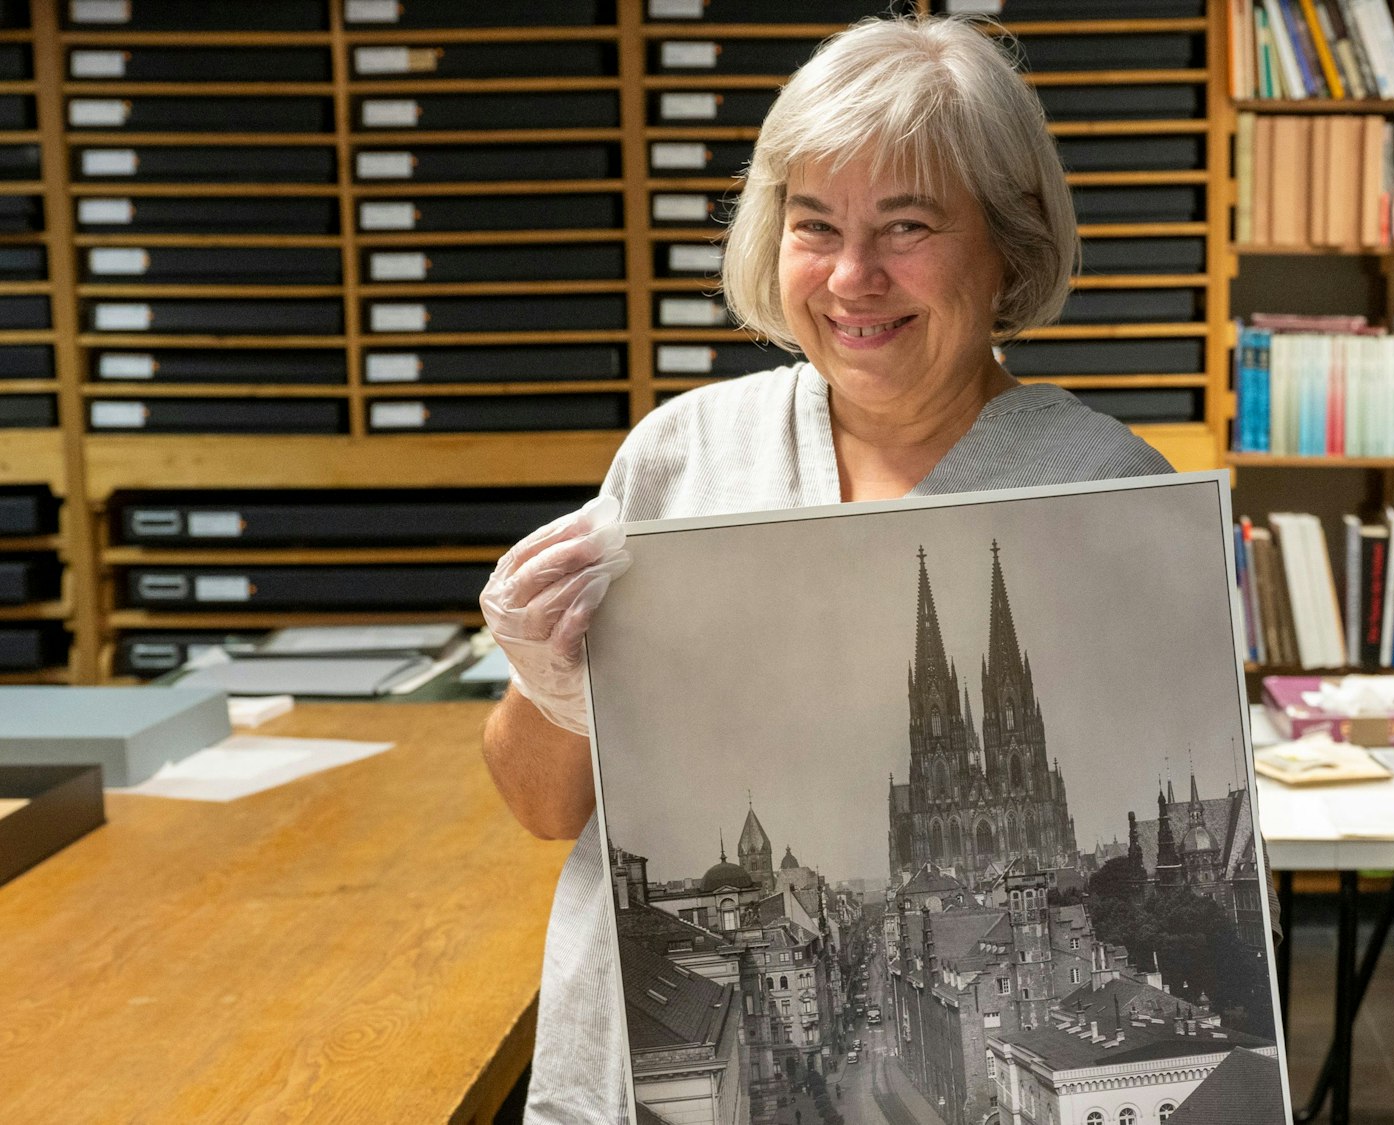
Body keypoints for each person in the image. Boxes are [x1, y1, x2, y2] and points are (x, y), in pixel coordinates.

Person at [477, 15, 1171, 1124]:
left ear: (1008, 240)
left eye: (907, 225)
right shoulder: (681, 456)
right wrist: (551, 686)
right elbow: (541, 808)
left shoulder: (1106, 488)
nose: (853, 276)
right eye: (815, 225)